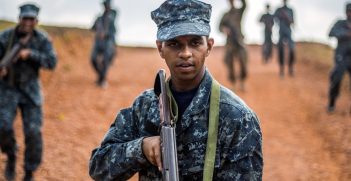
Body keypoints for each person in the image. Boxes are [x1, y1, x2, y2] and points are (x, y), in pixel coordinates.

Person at [89, 0, 263, 180]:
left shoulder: (238, 117)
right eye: (174, 44)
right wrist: (141, 148)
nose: (186, 53)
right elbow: (98, 167)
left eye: (195, 43)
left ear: (209, 46)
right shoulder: (146, 105)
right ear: (160, 48)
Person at [0, 3, 57, 181]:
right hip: (8, 88)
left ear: (36, 21)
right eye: (25, 18)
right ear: (19, 19)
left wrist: (30, 54)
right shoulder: (5, 37)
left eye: (31, 19)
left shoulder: (42, 39)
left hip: (30, 90)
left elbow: (51, 62)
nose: (27, 22)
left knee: (33, 133)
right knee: (3, 127)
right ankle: (11, 156)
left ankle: (29, 171)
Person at [327, 3, 351, 112]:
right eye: (349, 11)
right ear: (346, 12)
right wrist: (345, 33)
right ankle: (331, 104)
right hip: (341, 56)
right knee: (336, 78)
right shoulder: (340, 23)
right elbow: (330, 33)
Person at [219, 0, 248, 90]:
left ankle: (242, 82)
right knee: (229, 62)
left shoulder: (238, 12)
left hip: (239, 41)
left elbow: (245, 5)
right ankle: (233, 84)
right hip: (230, 43)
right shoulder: (225, 15)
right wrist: (224, 29)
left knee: (243, 61)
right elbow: (219, 27)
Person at [91, 0, 117, 88]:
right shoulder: (99, 18)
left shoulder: (112, 17)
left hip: (108, 42)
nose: (106, 7)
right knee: (93, 59)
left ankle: (102, 80)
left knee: (105, 61)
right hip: (98, 42)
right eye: (105, 5)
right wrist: (97, 29)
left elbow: (114, 31)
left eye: (107, 5)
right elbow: (92, 28)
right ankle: (101, 76)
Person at [274, 0, 295, 77]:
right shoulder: (279, 10)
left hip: (288, 32)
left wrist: (288, 19)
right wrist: (280, 16)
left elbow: (293, 21)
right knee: (280, 50)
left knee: (292, 49)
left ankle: (290, 67)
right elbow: (274, 19)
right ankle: (281, 69)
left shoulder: (290, 10)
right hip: (281, 32)